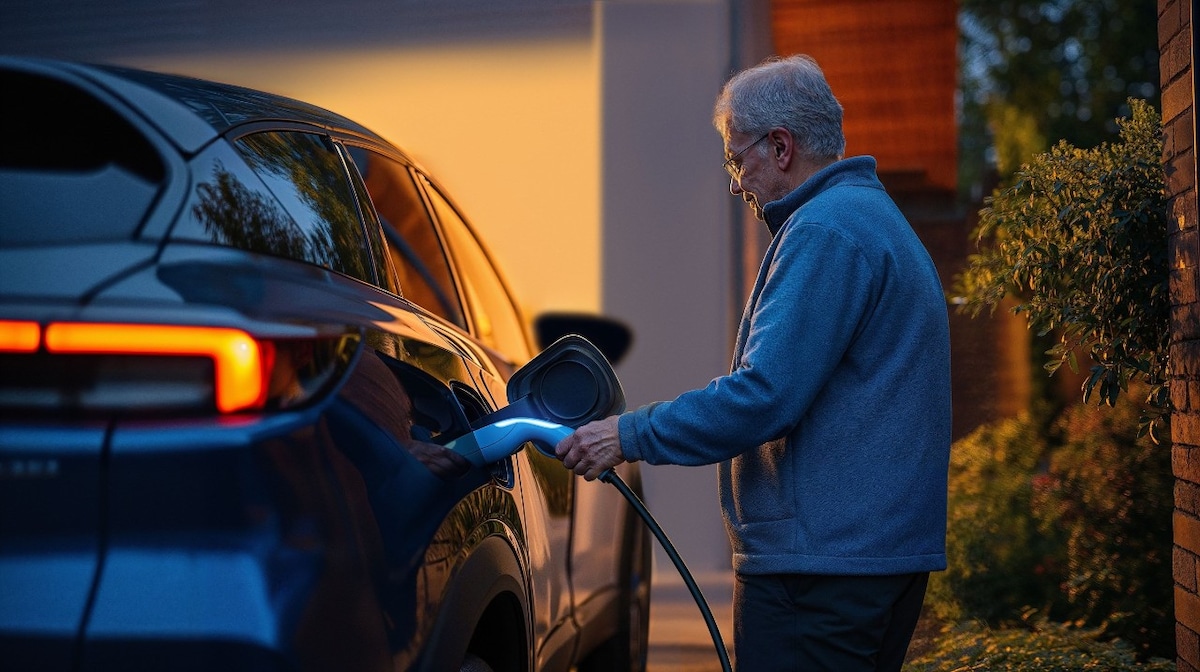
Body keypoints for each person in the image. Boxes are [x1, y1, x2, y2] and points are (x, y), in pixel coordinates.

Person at [554, 54, 952, 671]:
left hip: (819, 575)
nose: (736, 181)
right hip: (865, 565)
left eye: (738, 159)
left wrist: (626, 434)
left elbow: (765, 394)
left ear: (782, 146)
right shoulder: (874, 220)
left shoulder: (825, 232)